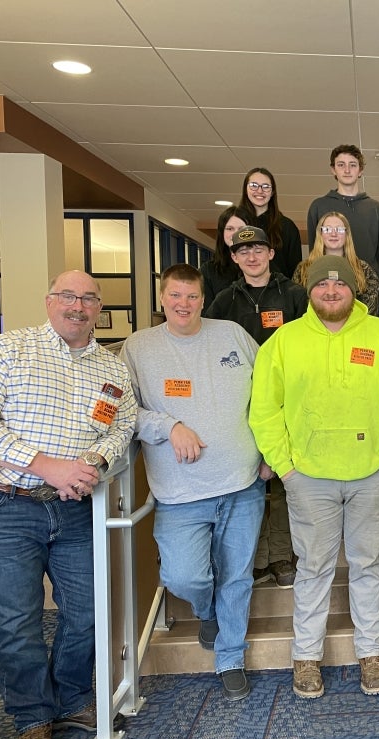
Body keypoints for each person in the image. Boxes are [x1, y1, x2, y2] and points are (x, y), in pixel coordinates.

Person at [0, 270, 136, 739]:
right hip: (1, 506)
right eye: (68, 296)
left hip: (75, 508)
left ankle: (72, 699)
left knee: (89, 610)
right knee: (18, 622)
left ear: (100, 308)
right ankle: (33, 717)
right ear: (49, 301)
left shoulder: (112, 367)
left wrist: (94, 464)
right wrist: (46, 466)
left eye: (89, 299)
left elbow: (122, 424)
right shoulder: (6, 349)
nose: (77, 307)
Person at [249, 255, 379, 700]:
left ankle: (371, 652)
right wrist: (284, 466)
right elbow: (265, 410)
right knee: (313, 568)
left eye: (340, 286)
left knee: (368, 565)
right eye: (323, 287)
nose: (331, 292)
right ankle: (306, 656)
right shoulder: (283, 342)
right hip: (308, 477)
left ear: (354, 289)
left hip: (373, 475)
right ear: (310, 292)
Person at [121, 264, 265, 703]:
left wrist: (272, 454)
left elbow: (270, 393)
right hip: (180, 493)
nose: (183, 305)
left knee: (237, 576)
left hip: (242, 483)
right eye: (175, 296)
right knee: (185, 576)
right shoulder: (138, 348)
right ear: (162, 298)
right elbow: (125, 411)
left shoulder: (234, 336)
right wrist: (170, 424)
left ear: (204, 299)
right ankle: (205, 609)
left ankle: (230, 657)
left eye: (192, 297)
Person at [205, 225, 308, 588]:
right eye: (243, 251)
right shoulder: (223, 302)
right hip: (239, 404)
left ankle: (281, 556)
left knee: (281, 479)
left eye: (258, 249)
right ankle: (253, 557)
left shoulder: (294, 295)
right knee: (249, 480)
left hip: (287, 400)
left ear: (270, 253)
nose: (252, 256)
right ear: (234, 258)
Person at [306, 144, 379, 311]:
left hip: (367, 293)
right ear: (333, 170)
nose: (347, 170)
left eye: (352, 165)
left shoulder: (377, 209)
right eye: (341, 165)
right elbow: (315, 249)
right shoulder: (319, 206)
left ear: (361, 170)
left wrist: (370, 286)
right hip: (330, 295)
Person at [294, 212, 379, 315]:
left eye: (339, 229)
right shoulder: (304, 269)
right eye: (327, 229)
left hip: (355, 328)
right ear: (320, 233)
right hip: (312, 328)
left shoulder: (363, 270)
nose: (333, 234)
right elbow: (297, 307)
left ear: (346, 234)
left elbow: (369, 310)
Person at [237, 167, 302, 281]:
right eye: (254, 185)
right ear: (245, 189)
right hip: (240, 293)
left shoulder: (287, 226)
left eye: (266, 186)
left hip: (279, 294)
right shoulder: (235, 225)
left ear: (272, 192)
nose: (260, 191)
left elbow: (295, 271)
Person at [203, 205, 252, 307]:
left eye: (241, 228)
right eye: (230, 229)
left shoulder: (262, 266)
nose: (235, 233)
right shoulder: (208, 270)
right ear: (222, 232)